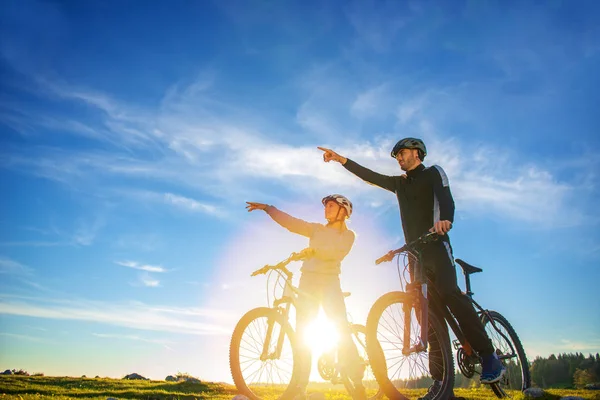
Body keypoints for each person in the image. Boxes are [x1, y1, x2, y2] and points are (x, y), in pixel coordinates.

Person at [318, 139, 505, 399]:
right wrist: (342, 160)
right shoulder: (399, 184)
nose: (398, 158)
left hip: (437, 246)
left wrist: (445, 220)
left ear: (417, 153)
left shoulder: (432, 173)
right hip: (415, 254)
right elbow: (370, 176)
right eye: (396, 156)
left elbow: (446, 198)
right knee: (428, 318)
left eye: (402, 153)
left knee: (451, 293)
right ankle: (441, 386)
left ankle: (489, 356)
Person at [246, 195, 367, 400]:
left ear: (343, 211)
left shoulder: (348, 235)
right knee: (303, 336)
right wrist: (269, 209)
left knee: (342, 331)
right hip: (308, 282)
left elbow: (337, 252)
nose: (326, 210)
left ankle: (357, 382)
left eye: (331, 206)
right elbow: (292, 223)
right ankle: (299, 388)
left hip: (330, 284)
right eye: (326, 206)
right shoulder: (316, 229)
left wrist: (314, 250)